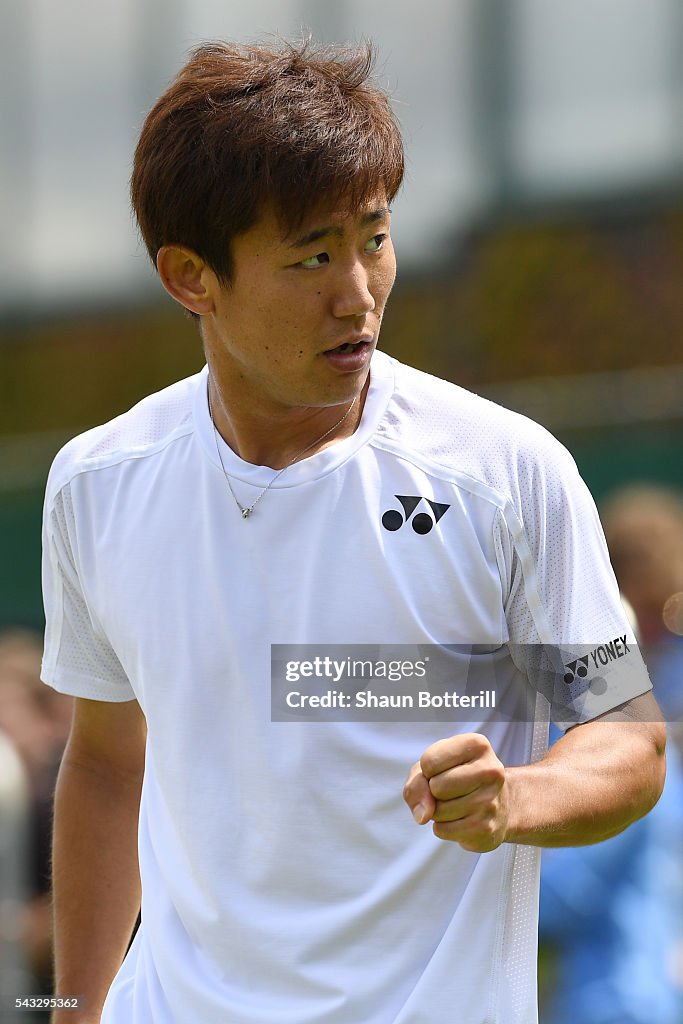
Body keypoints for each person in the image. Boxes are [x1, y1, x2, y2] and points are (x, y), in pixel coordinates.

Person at [41, 39, 665, 1024]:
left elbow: (626, 738)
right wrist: (71, 1006)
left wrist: (517, 799)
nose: (358, 291)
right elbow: (110, 761)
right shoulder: (95, 484)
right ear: (190, 278)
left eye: (373, 238)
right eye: (311, 257)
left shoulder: (507, 474)